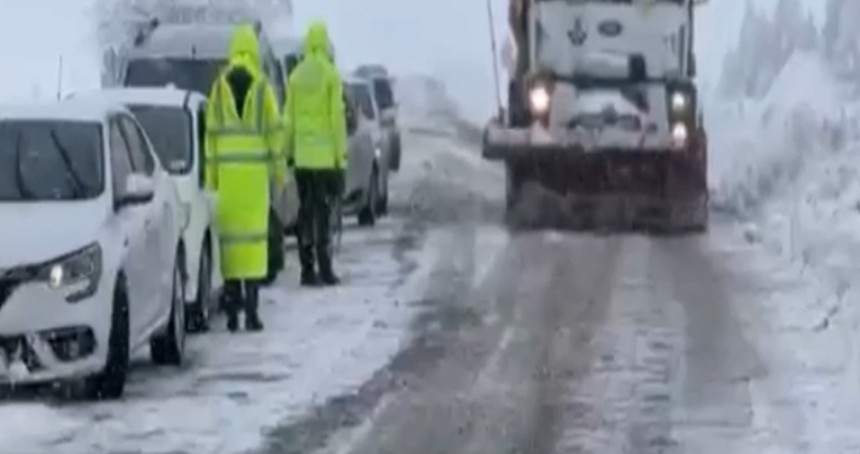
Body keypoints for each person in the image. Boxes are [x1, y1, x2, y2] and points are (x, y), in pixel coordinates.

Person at [205, 24, 286, 332]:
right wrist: (279, 174)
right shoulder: (263, 86)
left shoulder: (218, 87)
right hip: (254, 181)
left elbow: (210, 137)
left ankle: (232, 313)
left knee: (230, 248)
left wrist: (211, 180)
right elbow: (275, 133)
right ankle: (252, 312)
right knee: (254, 245)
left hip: (227, 180)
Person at [284, 20, 348, 287]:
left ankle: (306, 268)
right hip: (325, 161)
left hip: (302, 160)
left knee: (306, 213)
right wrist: (340, 157)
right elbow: (337, 120)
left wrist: (289, 153)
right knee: (323, 214)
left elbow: (289, 120)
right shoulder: (331, 75)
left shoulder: (295, 77)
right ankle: (325, 267)